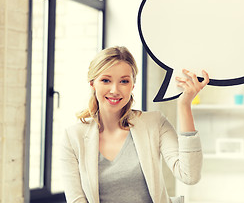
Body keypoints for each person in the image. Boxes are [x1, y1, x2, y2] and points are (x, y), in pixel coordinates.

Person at [60, 46, 209, 203]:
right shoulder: (72, 137)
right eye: (106, 80)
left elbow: (190, 175)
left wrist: (184, 104)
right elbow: (76, 199)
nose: (115, 90)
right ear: (92, 84)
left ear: (132, 85)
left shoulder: (155, 123)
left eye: (124, 81)